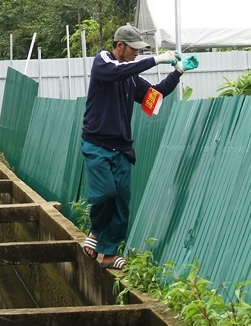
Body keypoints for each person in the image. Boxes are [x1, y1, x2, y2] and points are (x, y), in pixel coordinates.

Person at [81, 24, 198, 270]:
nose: (137, 53)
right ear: (119, 46)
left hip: (122, 148)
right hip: (97, 144)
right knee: (105, 194)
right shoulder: (103, 62)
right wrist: (157, 59)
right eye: (133, 49)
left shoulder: (131, 78)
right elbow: (118, 70)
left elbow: (154, 96)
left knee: (122, 199)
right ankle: (96, 230)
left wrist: (177, 71)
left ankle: (109, 255)